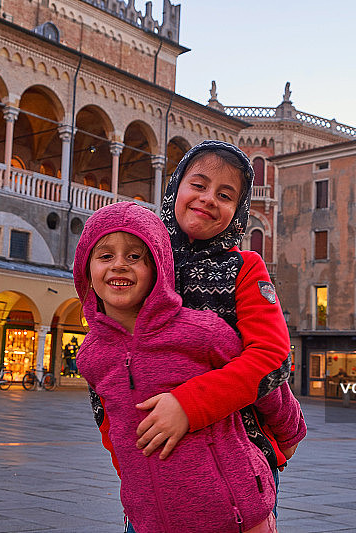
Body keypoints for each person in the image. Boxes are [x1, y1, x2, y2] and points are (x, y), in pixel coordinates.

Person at [74, 202, 302, 533]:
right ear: (85, 270)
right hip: (149, 520)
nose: (119, 265)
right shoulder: (92, 355)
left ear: (158, 267)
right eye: (105, 256)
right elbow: (111, 427)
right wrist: (136, 489)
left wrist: (290, 430)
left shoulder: (200, 331)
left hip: (237, 514)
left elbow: (265, 379)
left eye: (135, 256)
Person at [123, 141, 303, 520]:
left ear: (238, 212)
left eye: (225, 195)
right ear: (175, 188)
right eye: (199, 185)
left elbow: (272, 359)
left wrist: (189, 405)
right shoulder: (146, 266)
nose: (208, 199)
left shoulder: (245, 268)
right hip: (155, 461)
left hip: (236, 456)